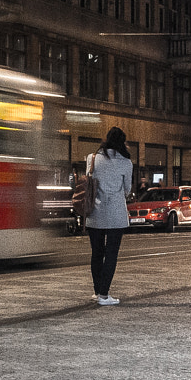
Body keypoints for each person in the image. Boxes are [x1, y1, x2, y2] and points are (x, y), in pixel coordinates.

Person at [81, 127, 135, 305]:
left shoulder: (92, 158)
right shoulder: (126, 163)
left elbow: (89, 181)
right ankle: (104, 295)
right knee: (111, 254)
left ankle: (97, 292)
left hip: (94, 213)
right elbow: (127, 189)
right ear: (122, 142)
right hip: (115, 215)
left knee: (96, 253)